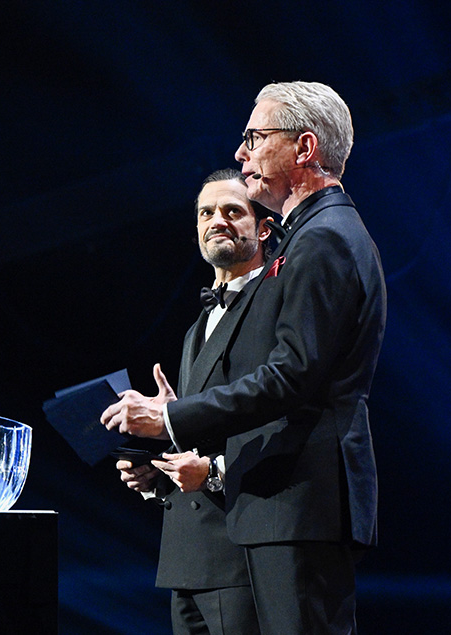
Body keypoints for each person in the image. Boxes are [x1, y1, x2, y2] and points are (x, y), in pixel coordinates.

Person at [102, 81, 387, 634]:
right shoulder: (314, 234)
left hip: (302, 501)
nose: (242, 153)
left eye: (255, 137)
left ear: (304, 149)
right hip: (288, 502)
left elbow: (291, 375)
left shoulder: (323, 237)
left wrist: (169, 418)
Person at [117, 168, 273, 634]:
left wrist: (207, 465)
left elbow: (275, 410)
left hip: (237, 554)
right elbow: (204, 432)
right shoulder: (195, 328)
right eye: (206, 212)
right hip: (188, 556)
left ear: (263, 228)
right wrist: (157, 469)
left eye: (232, 211)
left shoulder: (274, 302)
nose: (217, 220)